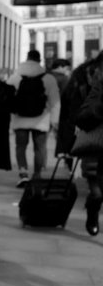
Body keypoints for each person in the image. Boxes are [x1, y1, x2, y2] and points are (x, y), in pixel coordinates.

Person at [56, 51, 103, 236]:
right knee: (98, 193)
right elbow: (76, 116)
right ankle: (92, 212)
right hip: (94, 142)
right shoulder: (83, 79)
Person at [6, 50, 61, 187]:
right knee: (40, 148)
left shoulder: (15, 77)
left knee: (20, 147)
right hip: (41, 119)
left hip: (20, 119)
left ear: (27, 58)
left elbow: (6, 98)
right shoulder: (48, 78)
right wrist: (55, 121)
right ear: (39, 60)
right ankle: (37, 175)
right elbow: (55, 101)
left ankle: (23, 173)